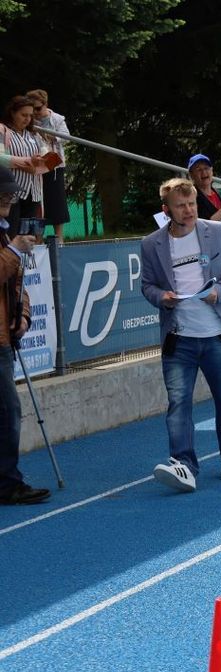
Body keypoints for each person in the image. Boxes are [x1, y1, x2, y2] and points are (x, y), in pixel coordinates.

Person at [140, 178, 221, 492]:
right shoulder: (151, 244)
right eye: (180, 206)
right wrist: (162, 297)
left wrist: (220, 290)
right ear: (166, 210)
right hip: (178, 338)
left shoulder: (216, 231)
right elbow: (147, 285)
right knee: (178, 403)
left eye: (191, 204)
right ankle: (183, 465)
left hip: (216, 334)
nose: (188, 211)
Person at [0, 168, 49, 505]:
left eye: (10, 193)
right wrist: (15, 251)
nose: (8, 198)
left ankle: (8, 480)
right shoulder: (9, 241)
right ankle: (7, 483)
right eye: (2, 193)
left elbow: (18, 283)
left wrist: (24, 316)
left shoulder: (4, 234)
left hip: (4, 337)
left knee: (7, 411)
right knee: (7, 411)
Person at [26, 90, 69, 242]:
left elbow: (66, 136)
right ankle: (37, 240)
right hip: (37, 168)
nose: (35, 112)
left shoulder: (57, 119)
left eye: (38, 108)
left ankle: (59, 240)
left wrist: (54, 137)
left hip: (54, 166)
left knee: (57, 201)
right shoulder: (28, 120)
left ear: (46, 105)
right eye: (32, 109)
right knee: (38, 203)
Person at [0, 96, 43, 234]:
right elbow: (1, 158)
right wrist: (29, 162)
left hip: (34, 192)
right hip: (12, 192)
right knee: (11, 233)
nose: (27, 119)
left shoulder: (34, 134)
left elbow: (48, 159)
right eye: (23, 115)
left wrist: (37, 165)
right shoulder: (2, 130)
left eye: (30, 116)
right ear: (12, 113)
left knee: (30, 236)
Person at [188, 154, 221, 223]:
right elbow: (206, 225)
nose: (204, 172)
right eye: (199, 170)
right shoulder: (193, 196)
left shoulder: (217, 192)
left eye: (206, 168)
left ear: (212, 171)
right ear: (191, 175)